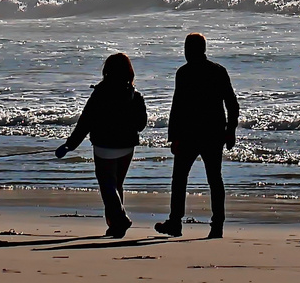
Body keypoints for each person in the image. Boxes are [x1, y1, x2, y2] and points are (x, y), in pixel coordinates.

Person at [155, 32, 239, 239]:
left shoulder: (183, 73)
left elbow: (177, 108)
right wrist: (231, 131)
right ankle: (217, 225)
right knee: (215, 179)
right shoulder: (218, 71)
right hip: (213, 133)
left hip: (188, 134)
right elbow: (232, 104)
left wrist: (173, 137)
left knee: (180, 179)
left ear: (188, 50)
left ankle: (175, 223)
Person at [56, 53, 149, 238]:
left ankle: (120, 218)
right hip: (126, 146)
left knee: (108, 185)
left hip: (104, 145)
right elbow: (141, 124)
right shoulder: (135, 95)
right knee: (116, 185)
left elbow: (85, 122)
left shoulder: (100, 93)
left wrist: (70, 145)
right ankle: (115, 225)